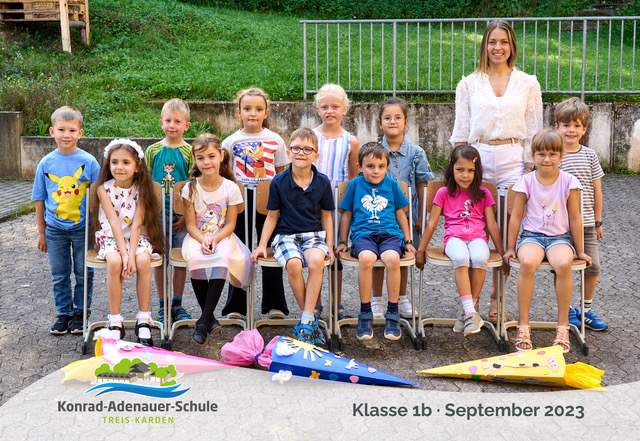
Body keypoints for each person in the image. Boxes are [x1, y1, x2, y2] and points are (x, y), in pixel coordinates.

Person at [450, 19, 543, 324]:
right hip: (477, 157)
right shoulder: (469, 84)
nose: (498, 47)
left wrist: (529, 167)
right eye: (492, 42)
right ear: (485, 46)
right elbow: (461, 131)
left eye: (504, 42)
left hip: (513, 158)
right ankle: (470, 306)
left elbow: (534, 130)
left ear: (512, 45)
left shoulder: (528, 83)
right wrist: (459, 171)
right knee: (473, 230)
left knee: (505, 233)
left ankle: (497, 297)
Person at [503, 129, 592, 353]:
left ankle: (562, 327)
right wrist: (510, 247)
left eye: (553, 154)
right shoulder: (525, 181)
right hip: (531, 237)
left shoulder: (569, 181)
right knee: (527, 263)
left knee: (563, 264)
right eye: (541, 154)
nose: (547, 159)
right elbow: (516, 216)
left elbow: (575, 217)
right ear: (533, 156)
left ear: (561, 155)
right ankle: (524, 326)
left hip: (559, 238)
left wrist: (580, 250)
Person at [251, 128, 334, 345]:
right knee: (294, 264)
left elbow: (327, 217)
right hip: (285, 236)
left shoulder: (322, 182)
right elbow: (272, 216)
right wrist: (262, 244)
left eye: (307, 149)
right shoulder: (279, 181)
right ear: (288, 153)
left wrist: (330, 246)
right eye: (296, 148)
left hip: (314, 235)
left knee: (316, 261)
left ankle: (305, 321)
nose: (301, 153)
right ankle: (310, 318)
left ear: (316, 155)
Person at [415, 145, 506, 336]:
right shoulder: (443, 193)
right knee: (461, 258)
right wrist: (421, 250)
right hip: (454, 238)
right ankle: (471, 313)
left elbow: (492, 225)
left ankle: (467, 312)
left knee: (480, 258)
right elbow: (431, 224)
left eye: (470, 170)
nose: (465, 175)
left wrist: (502, 253)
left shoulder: (483, 194)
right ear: (452, 169)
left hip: (477, 238)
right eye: (460, 170)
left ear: (476, 171)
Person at [335, 142, 416, 341]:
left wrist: (408, 240)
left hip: (390, 235)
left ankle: (393, 312)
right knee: (366, 259)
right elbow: (346, 215)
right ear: (359, 167)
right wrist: (343, 241)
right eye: (370, 166)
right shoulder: (355, 185)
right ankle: (365, 313)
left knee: (392, 259)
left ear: (387, 167)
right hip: (363, 235)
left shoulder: (392, 185)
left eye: (381, 166)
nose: (376, 171)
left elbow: (401, 214)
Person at [222, 87, 290, 321]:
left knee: (270, 249)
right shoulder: (230, 142)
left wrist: (281, 203)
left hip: (268, 202)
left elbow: (281, 174)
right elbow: (226, 176)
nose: (253, 113)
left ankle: (274, 305)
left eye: (259, 109)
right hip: (239, 202)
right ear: (239, 112)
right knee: (238, 251)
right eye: (247, 108)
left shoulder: (275, 140)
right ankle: (236, 306)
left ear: (266, 113)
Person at [32, 106, 100, 335]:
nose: (66, 135)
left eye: (72, 130)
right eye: (61, 129)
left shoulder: (89, 162)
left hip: (83, 229)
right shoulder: (46, 163)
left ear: (80, 133)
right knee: (59, 274)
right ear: (52, 131)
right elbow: (39, 199)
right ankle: (64, 313)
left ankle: (81, 313)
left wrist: (97, 229)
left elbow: (99, 197)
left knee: (83, 272)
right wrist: (42, 232)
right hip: (54, 229)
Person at [181, 133, 253, 345]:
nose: (207, 162)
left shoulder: (231, 187)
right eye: (201, 158)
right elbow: (190, 225)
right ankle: (208, 319)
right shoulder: (190, 188)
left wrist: (216, 239)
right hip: (197, 237)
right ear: (195, 160)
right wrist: (203, 239)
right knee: (195, 259)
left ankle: (203, 322)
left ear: (221, 156)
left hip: (224, 237)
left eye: (211, 156)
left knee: (222, 259)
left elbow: (230, 225)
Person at [93, 139, 166, 346]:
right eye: (114, 162)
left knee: (142, 261)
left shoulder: (143, 189)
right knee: (115, 261)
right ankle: (115, 321)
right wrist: (125, 256)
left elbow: (137, 225)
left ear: (137, 166)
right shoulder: (103, 189)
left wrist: (132, 255)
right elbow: (114, 222)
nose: (119, 167)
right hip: (111, 236)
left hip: (138, 236)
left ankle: (143, 319)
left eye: (126, 162)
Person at [372, 97, 434, 319]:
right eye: (387, 118)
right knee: (377, 256)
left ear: (406, 122)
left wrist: (421, 217)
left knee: (404, 255)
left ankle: (401, 297)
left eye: (398, 117)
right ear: (380, 123)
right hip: (378, 215)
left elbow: (422, 184)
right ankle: (377, 299)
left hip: (408, 215)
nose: (393, 122)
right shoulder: (373, 151)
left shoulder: (416, 153)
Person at [554, 98, 607, 330]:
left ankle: (585, 310)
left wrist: (598, 221)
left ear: (584, 129)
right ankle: (566, 311)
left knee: (592, 267)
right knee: (561, 267)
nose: (571, 130)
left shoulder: (590, 155)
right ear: (557, 127)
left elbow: (597, 190)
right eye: (566, 125)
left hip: (586, 224)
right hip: (560, 226)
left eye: (576, 126)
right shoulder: (553, 156)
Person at [312, 83, 360, 321]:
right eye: (324, 107)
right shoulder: (311, 136)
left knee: (336, 252)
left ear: (345, 109)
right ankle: (316, 302)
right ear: (317, 109)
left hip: (338, 205)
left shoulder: (351, 141)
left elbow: (352, 178)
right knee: (315, 252)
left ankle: (337, 303)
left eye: (335, 107)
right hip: (312, 202)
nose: (329, 111)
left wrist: (350, 209)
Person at [144, 98, 193, 324]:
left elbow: (194, 184)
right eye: (168, 121)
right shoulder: (153, 150)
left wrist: (186, 216)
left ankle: (177, 303)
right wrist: (148, 215)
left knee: (179, 259)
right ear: (161, 123)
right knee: (160, 259)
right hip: (157, 215)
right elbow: (145, 183)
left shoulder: (189, 152)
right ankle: (163, 304)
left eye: (177, 121)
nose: (172, 125)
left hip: (181, 215)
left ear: (186, 125)